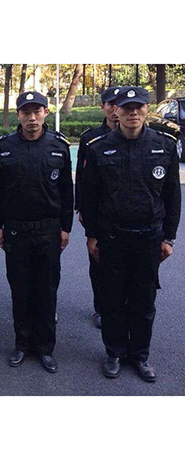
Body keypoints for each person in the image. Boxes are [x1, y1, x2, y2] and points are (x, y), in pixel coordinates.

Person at [82, 86, 181, 382]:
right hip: (113, 237)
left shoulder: (164, 145)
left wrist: (169, 238)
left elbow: (172, 196)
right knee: (112, 299)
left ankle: (139, 355)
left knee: (143, 301)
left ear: (147, 109)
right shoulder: (99, 147)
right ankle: (114, 353)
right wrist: (91, 235)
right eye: (127, 108)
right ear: (117, 111)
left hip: (149, 238)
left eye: (139, 107)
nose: (133, 113)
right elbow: (90, 196)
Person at [0, 91, 73, 373]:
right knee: (21, 289)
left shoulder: (58, 146)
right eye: (26, 112)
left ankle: (45, 348)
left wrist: (65, 228)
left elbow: (66, 191)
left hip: (48, 229)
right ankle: (22, 344)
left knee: (47, 291)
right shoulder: (4, 147)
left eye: (37, 111)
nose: (32, 118)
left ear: (46, 113)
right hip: (16, 231)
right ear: (18, 115)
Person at [75, 87, 121, 329]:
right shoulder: (91, 139)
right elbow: (82, 178)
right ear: (102, 107)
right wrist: (81, 208)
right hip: (100, 213)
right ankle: (101, 308)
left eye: (119, 104)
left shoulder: (139, 137)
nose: (115, 109)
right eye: (110, 104)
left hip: (127, 213)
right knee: (99, 260)